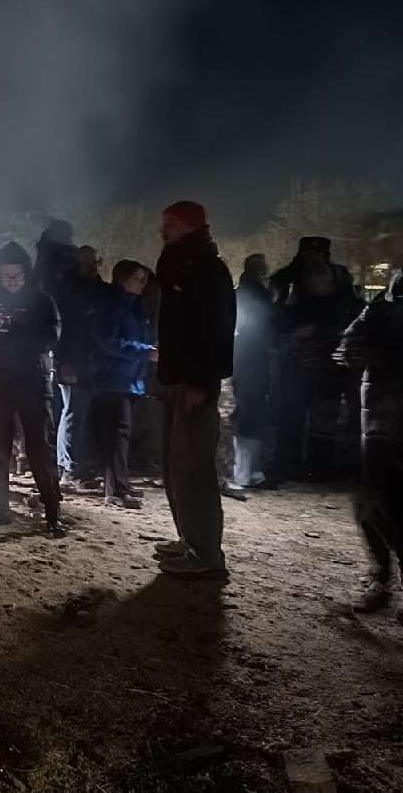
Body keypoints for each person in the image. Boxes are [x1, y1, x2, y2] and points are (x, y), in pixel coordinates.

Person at [335, 249, 403, 612]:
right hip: (382, 424)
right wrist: (355, 352)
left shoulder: (402, 306)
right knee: (383, 504)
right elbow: (350, 343)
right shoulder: (383, 304)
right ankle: (400, 578)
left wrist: (386, 356)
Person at [151, 201, 235, 579]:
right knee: (175, 466)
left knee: (192, 468)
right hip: (176, 378)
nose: (163, 229)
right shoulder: (180, 265)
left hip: (194, 382)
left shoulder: (207, 270)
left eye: (171, 223)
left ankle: (206, 554)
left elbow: (214, 329)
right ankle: (189, 540)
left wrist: (201, 382)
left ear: (191, 226)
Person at [0, 242, 64, 534]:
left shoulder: (42, 301)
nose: (11, 281)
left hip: (33, 383)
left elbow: (53, 336)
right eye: (5, 276)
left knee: (39, 449)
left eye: (16, 276)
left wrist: (19, 329)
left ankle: (52, 512)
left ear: (25, 274)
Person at [271, 255, 364, 485]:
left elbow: (352, 329)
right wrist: (294, 334)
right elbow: (278, 328)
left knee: (324, 425)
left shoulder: (345, 304)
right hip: (298, 371)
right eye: (313, 280)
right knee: (292, 419)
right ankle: (288, 465)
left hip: (329, 373)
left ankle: (319, 468)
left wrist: (322, 332)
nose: (318, 285)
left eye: (323, 281)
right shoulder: (296, 302)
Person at [90, 260, 157, 510]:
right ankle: (114, 490)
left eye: (145, 278)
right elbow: (109, 341)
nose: (143, 283)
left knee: (123, 435)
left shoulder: (136, 306)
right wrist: (144, 352)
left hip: (130, 379)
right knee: (116, 436)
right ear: (122, 279)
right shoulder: (110, 306)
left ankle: (121, 484)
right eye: (138, 278)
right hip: (113, 379)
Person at [55, 244, 107, 490]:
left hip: (90, 360)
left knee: (80, 413)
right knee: (74, 411)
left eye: (95, 262)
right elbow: (64, 329)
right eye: (87, 262)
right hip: (74, 361)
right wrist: (63, 360)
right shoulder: (67, 290)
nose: (92, 266)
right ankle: (69, 467)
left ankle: (76, 464)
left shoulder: (97, 288)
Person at [232, 254, 273, 491]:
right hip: (252, 361)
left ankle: (246, 471)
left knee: (249, 411)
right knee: (250, 412)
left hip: (245, 359)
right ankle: (245, 472)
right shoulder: (255, 295)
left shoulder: (243, 293)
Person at [32, 218, 77, 296]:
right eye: (67, 235)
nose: (70, 239)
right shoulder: (48, 251)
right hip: (54, 291)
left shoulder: (70, 250)